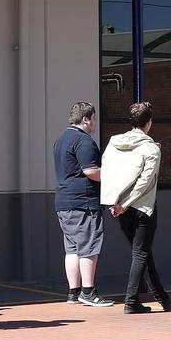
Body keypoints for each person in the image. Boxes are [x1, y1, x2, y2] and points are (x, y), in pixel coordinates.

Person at [100, 101, 171, 314]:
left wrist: (116, 202)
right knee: (141, 253)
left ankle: (163, 298)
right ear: (148, 122)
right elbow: (145, 181)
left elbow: (107, 172)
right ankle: (131, 301)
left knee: (142, 251)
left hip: (120, 206)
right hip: (142, 207)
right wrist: (125, 203)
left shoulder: (113, 143)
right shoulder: (151, 147)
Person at [53, 101, 113, 307]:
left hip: (63, 202)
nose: (95, 122)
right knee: (89, 246)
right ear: (86, 119)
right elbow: (91, 172)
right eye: (93, 118)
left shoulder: (61, 140)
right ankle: (88, 292)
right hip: (83, 202)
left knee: (72, 249)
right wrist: (114, 175)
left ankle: (73, 292)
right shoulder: (84, 141)